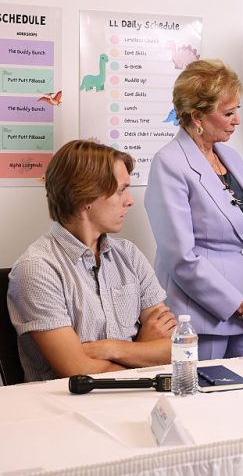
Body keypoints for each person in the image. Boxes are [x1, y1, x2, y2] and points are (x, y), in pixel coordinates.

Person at [7, 140, 175, 381]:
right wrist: (143, 348)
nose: (130, 200)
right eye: (120, 190)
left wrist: (111, 348)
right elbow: (77, 371)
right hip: (64, 410)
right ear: (86, 197)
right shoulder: (36, 269)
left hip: (134, 400)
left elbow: (173, 349)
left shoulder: (129, 255)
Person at [145, 59, 243, 360]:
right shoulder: (169, 163)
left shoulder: (230, 156)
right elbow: (180, 257)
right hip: (203, 319)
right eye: (228, 113)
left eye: (237, 111)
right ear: (197, 116)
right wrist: (240, 306)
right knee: (205, 401)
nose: (236, 121)